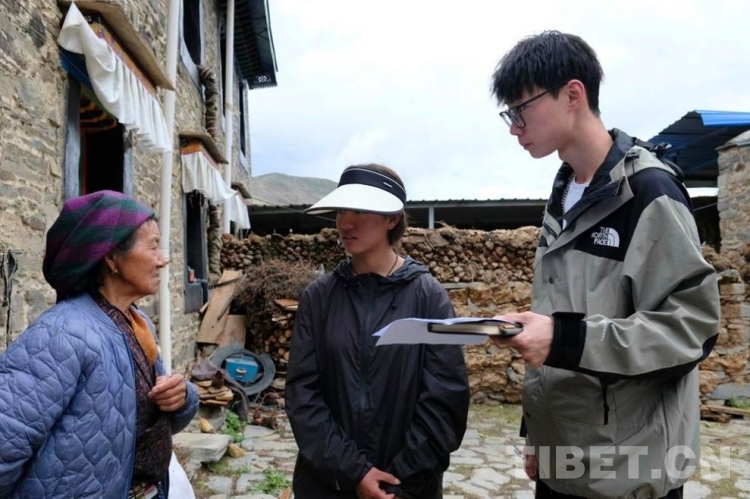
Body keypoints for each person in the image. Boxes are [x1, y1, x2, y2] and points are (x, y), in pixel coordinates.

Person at [489, 31, 720, 499]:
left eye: (521, 109)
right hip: (563, 459)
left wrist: (564, 339)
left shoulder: (649, 192)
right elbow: (557, 310)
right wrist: (536, 432)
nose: (515, 127)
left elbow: (692, 330)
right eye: (509, 114)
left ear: (573, 94)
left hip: (627, 472)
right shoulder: (563, 195)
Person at [285, 164, 470, 499]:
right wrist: (354, 472)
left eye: (360, 210)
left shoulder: (429, 297)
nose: (346, 222)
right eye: (341, 211)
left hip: (407, 489)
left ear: (392, 219)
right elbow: (303, 394)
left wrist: (400, 481)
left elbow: (446, 398)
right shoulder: (319, 298)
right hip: (328, 484)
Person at [0, 190, 199, 499]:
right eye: (153, 246)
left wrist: (183, 397)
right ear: (111, 258)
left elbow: (143, 422)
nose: (163, 259)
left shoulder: (138, 323)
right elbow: (6, 440)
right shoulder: (61, 334)